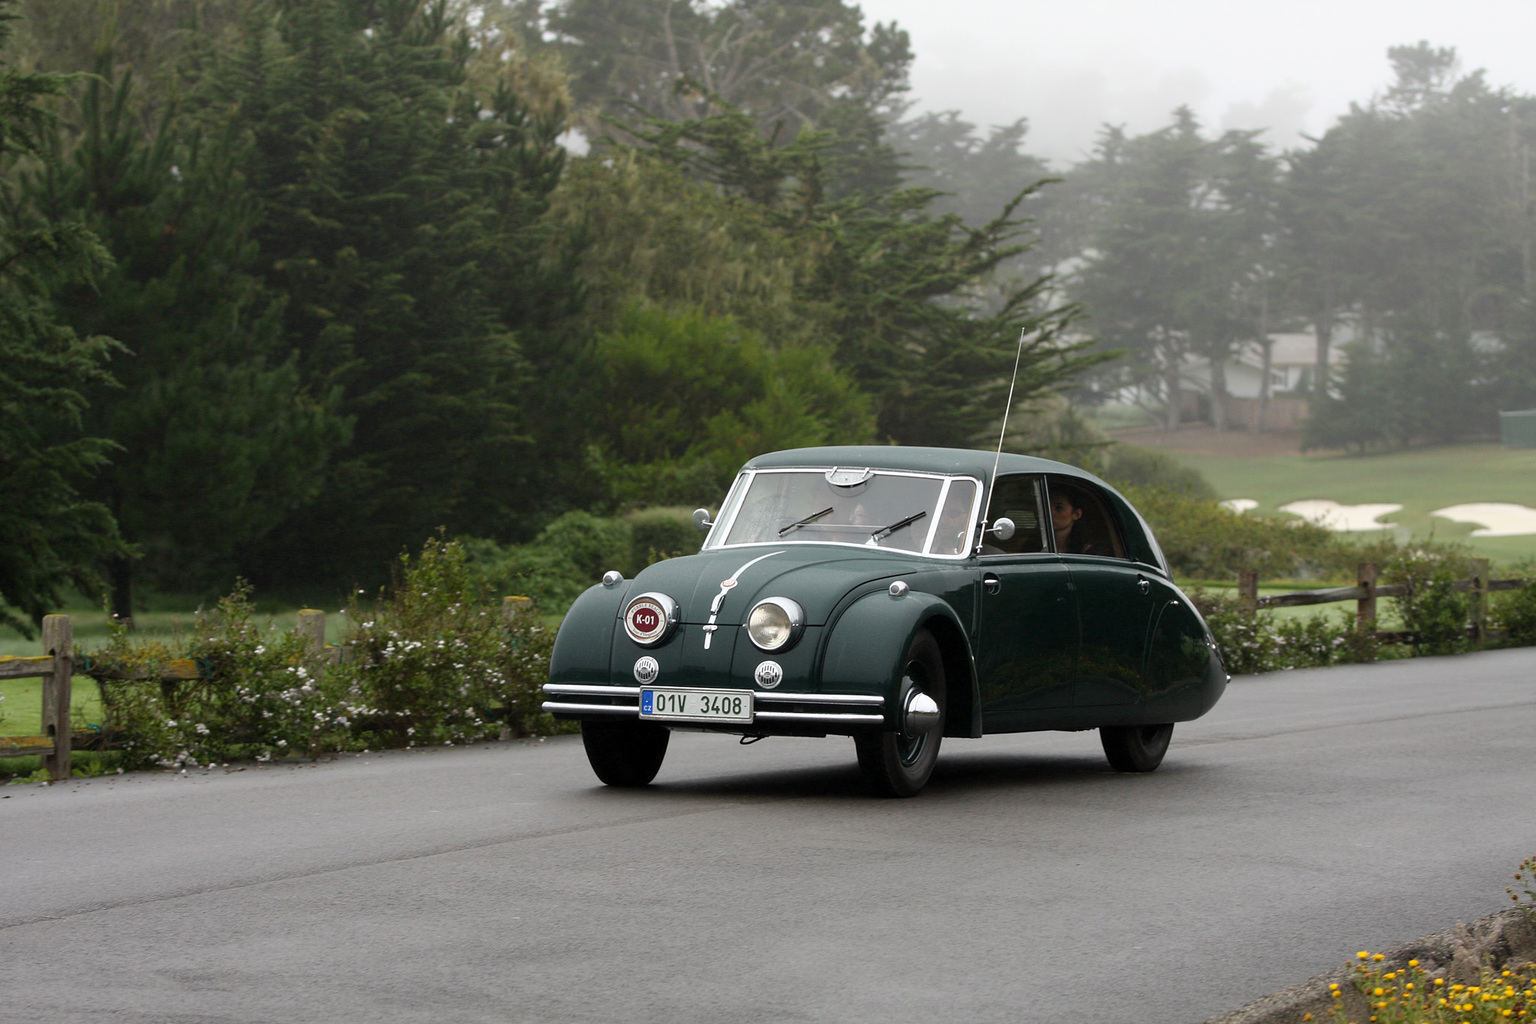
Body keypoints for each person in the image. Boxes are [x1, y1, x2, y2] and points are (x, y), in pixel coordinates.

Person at [1050, 486, 1094, 554]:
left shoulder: (1086, 551)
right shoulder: (1032, 546)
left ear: (1076, 514)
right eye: (1048, 506)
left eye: (1059, 508)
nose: (1050, 512)